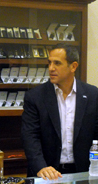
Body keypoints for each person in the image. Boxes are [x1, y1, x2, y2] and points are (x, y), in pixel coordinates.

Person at [21, 43, 98, 180]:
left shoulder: (92, 95)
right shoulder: (35, 97)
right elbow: (30, 136)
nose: (51, 68)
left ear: (73, 66)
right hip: (46, 173)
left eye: (57, 63)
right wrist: (40, 167)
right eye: (49, 63)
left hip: (83, 172)